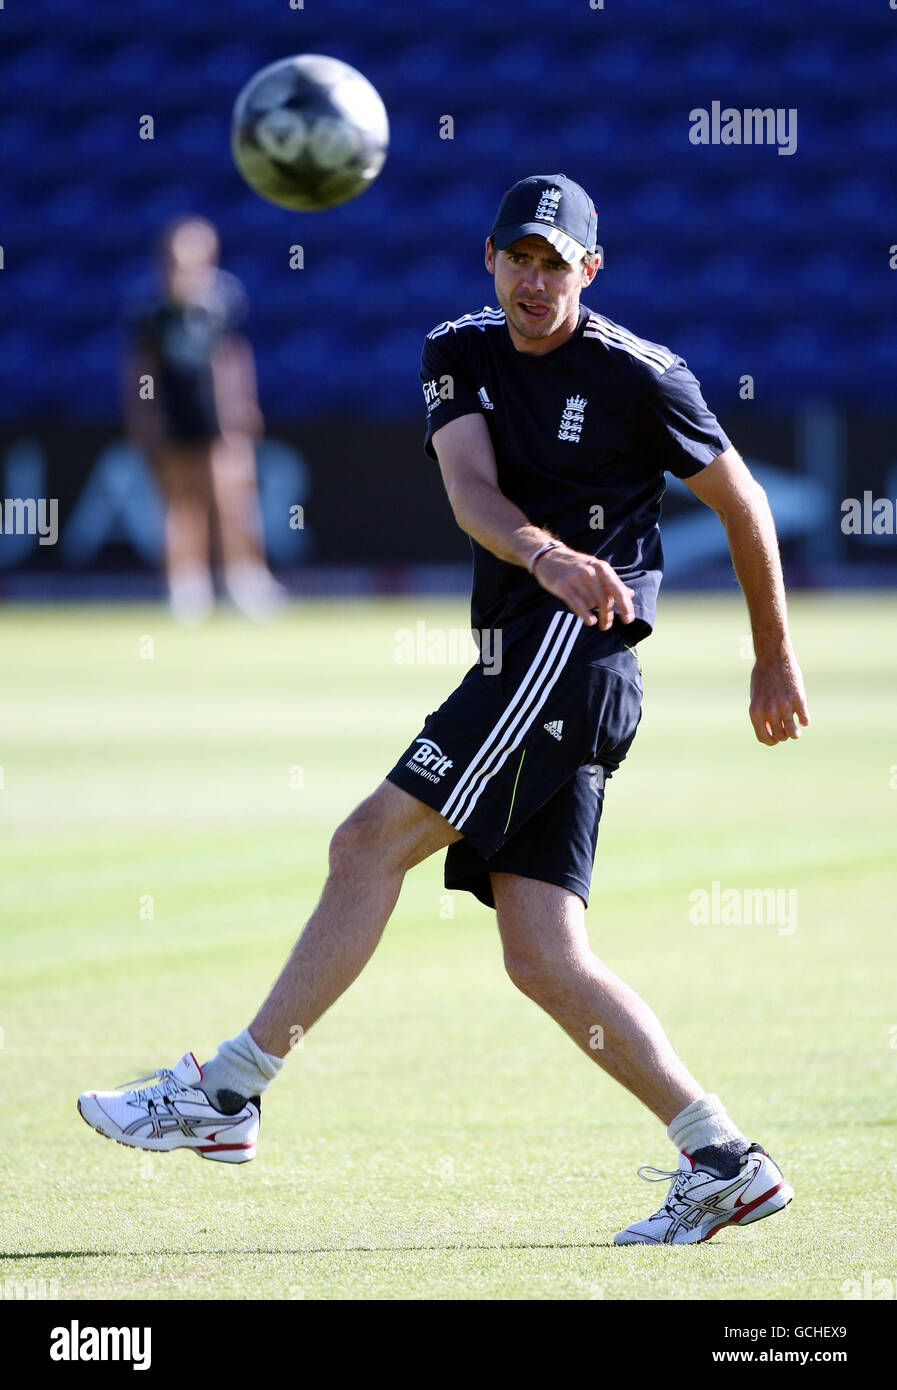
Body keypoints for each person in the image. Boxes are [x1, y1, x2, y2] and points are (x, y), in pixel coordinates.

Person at [80, 175, 810, 1245]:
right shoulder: (456, 351)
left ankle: (227, 1093)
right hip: (528, 648)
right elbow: (470, 491)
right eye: (518, 255)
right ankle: (725, 1160)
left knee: (365, 843)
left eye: (556, 261)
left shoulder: (642, 374)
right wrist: (544, 550)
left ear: (589, 273)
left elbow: (742, 501)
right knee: (543, 956)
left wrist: (773, 659)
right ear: (490, 258)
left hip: (573, 660)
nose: (533, 277)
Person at [124, 215, 285, 623]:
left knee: (234, 499)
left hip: (219, 414)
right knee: (182, 503)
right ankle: (187, 588)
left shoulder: (224, 300)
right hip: (176, 415)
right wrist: (146, 413)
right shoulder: (152, 310)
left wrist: (241, 404)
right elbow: (141, 367)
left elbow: (233, 355)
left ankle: (246, 580)